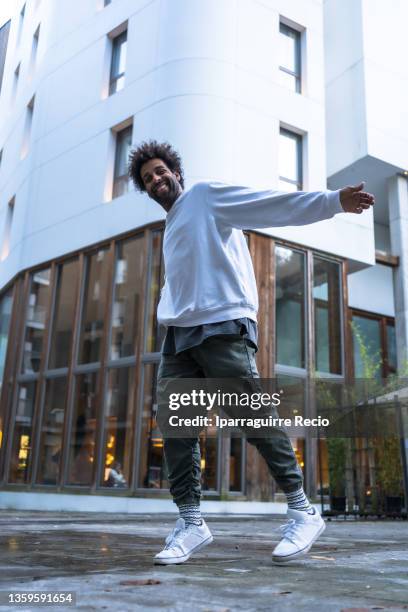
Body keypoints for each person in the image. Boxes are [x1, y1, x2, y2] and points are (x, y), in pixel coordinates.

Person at [128, 140, 374, 565]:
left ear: (176, 171)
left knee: (253, 416)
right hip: (178, 337)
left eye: (160, 171)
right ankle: (191, 523)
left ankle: (302, 509)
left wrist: (334, 201)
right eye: (148, 178)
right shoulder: (170, 227)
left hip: (222, 324)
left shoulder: (204, 196)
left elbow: (270, 205)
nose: (156, 179)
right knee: (176, 429)